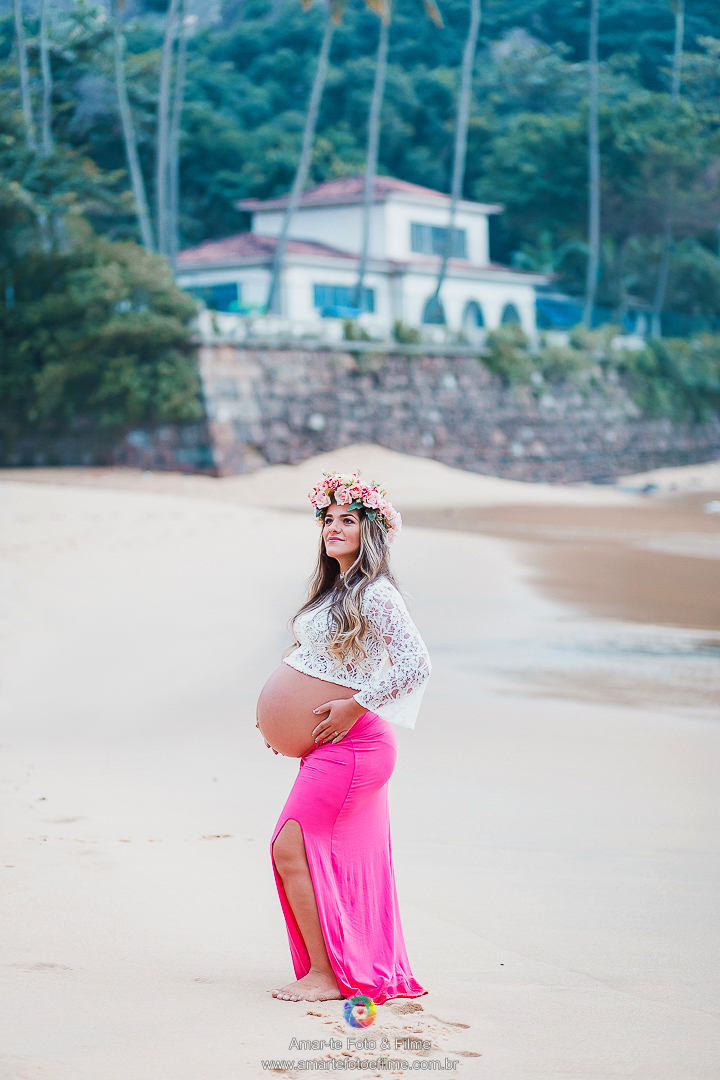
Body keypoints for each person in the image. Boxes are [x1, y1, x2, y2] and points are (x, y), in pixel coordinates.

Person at [256, 471, 431, 1004]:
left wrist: (354, 706)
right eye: (328, 519)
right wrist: (282, 725)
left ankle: (326, 975)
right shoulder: (337, 589)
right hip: (330, 746)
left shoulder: (376, 592)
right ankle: (337, 965)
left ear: (369, 530)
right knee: (309, 851)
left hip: (357, 746)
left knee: (289, 846)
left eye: (347, 520)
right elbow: (318, 662)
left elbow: (416, 664)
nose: (333, 527)